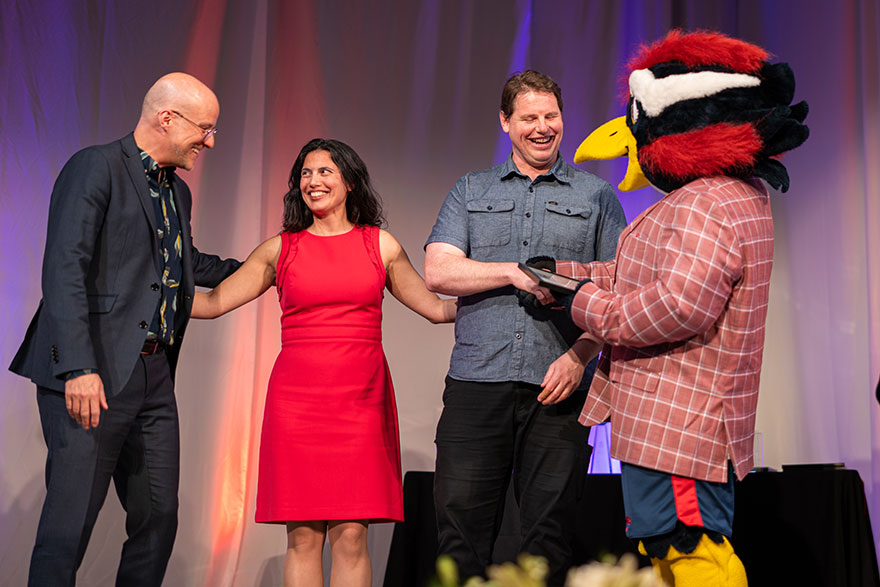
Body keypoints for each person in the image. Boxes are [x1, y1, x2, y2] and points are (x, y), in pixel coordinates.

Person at [546, 30, 810, 586]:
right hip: (679, 424)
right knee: (671, 552)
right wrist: (569, 277)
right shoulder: (731, 193)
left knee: (692, 550)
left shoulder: (706, 201)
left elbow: (679, 306)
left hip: (680, 423)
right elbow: (655, 278)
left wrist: (587, 305)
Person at [9, 72, 242, 586]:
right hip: (91, 368)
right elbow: (64, 268)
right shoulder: (96, 168)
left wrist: (268, 266)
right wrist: (78, 366)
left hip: (153, 374)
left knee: (158, 516)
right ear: (167, 118)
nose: (208, 140)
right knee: (69, 526)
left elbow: (183, 262)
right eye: (204, 128)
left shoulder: (175, 191)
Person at [191, 138, 456, 587]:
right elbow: (214, 302)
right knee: (303, 537)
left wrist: (502, 292)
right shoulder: (281, 249)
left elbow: (436, 308)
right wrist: (145, 293)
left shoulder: (381, 245)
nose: (313, 181)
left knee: (352, 536)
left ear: (350, 182)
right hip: (297, 407)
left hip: (361, 403)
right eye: (306, 174)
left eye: (325, 171)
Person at [424, 70, 627, 585]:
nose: (542, 128)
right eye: (529, 118)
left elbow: (620, 289)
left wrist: (580, 357)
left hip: (559, 386)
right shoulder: (472, 189)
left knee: (549, 535)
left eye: (551, 116)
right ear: (506, 122)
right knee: (460, 531)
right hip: (477, 383)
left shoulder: (596, 195)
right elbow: (439, 271)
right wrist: (513, 271)